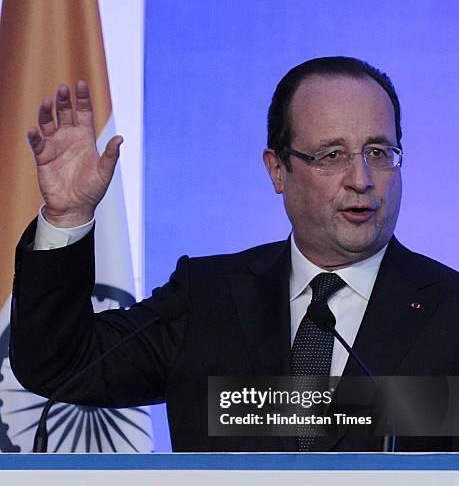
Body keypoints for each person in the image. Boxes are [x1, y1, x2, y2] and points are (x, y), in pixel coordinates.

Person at [10, 57, 459, 452]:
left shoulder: (449, 310)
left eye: (379, 152)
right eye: (332, 155)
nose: (360, 178)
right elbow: (60, 363)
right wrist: (67, 215)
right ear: (277, 169)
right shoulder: (208, 299)